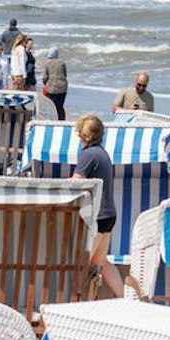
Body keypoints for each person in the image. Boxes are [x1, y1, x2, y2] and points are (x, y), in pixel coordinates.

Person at [72, 115, 125, 299]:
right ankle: (122, 297)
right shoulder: (103, 154)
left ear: (84, 135)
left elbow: (75, 183)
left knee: (82, 262)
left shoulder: (88, 154)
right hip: (109, 214)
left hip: (98, 215)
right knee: (101, 260)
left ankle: (78, 300)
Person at [40, 47, 69, 118]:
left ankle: (52, 120)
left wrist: (44, 83)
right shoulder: (62, 62)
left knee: (51, 106)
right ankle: (62, 121)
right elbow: (65, 74)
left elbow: (45, 77)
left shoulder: (47, 63)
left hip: (51, 88)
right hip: (62, 87)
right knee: (60, 106)